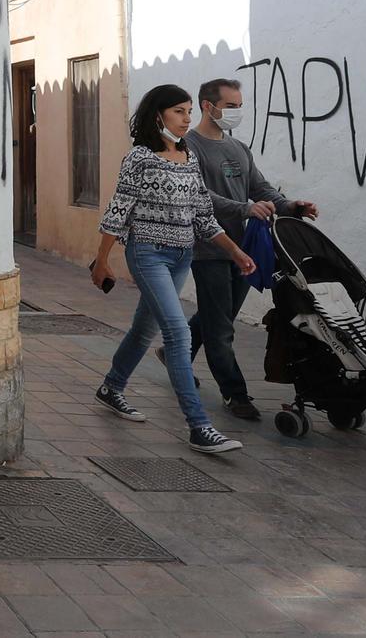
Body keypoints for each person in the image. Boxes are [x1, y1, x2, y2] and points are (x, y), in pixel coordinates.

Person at [90, 83, 258, 455]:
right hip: (148, 254)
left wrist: (234, 252)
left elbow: (203, 215)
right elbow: (119, 210)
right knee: (179, 334)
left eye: (187, 111)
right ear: (158, 115)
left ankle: (112, 387)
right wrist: (102, 260)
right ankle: (199, 427)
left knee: (142, 329)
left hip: (183, 255)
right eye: (179, 111)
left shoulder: (189, 157)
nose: (186, 118)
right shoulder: (139, 157)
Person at [177, 78, 319, 421]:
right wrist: (244, 209)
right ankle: (235, 394)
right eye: (231, 106)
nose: (237, 112)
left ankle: (174, 355)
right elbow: (199, 196)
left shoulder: (238, 148)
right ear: (209, 106)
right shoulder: (188, 147)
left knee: (219, 317)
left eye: (240, 105)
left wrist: (291, 206)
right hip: (207, 248)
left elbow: (260, 187)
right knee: (221, 328)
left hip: (243, 249)